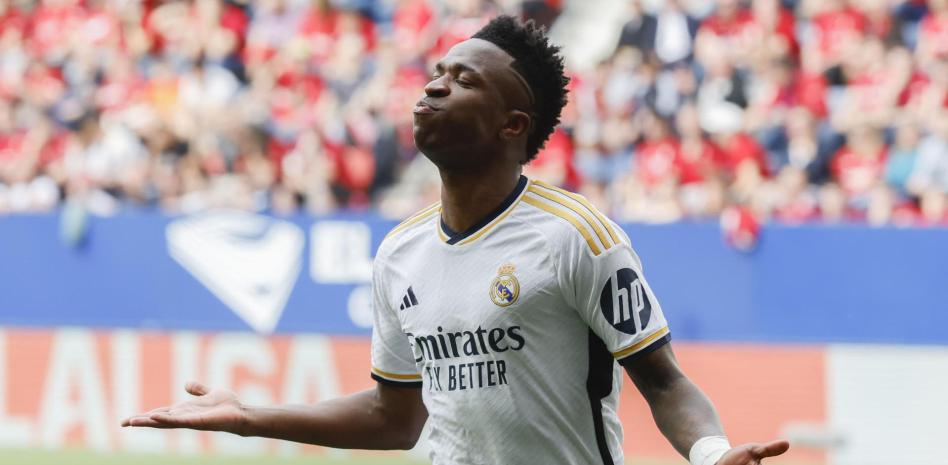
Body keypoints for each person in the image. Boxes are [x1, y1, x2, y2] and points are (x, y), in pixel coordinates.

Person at [123, 16, 790, 465]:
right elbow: (395, 416)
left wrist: (710, 453)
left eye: (466, 80)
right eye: (440, 71)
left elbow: (665, 381)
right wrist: (249, 416)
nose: (436, 85)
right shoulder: (400, 253)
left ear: (512, 125)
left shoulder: (576, 236)